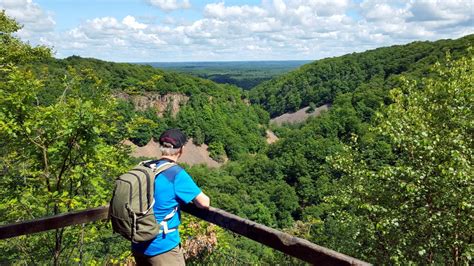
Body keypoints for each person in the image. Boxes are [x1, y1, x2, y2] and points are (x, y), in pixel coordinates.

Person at [132, 128, 210, 266]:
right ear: (181, 150)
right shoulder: (175, 174)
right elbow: (204, 203)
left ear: (160, 147)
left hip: (138, 243)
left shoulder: (146, 167)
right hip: (162, 247)